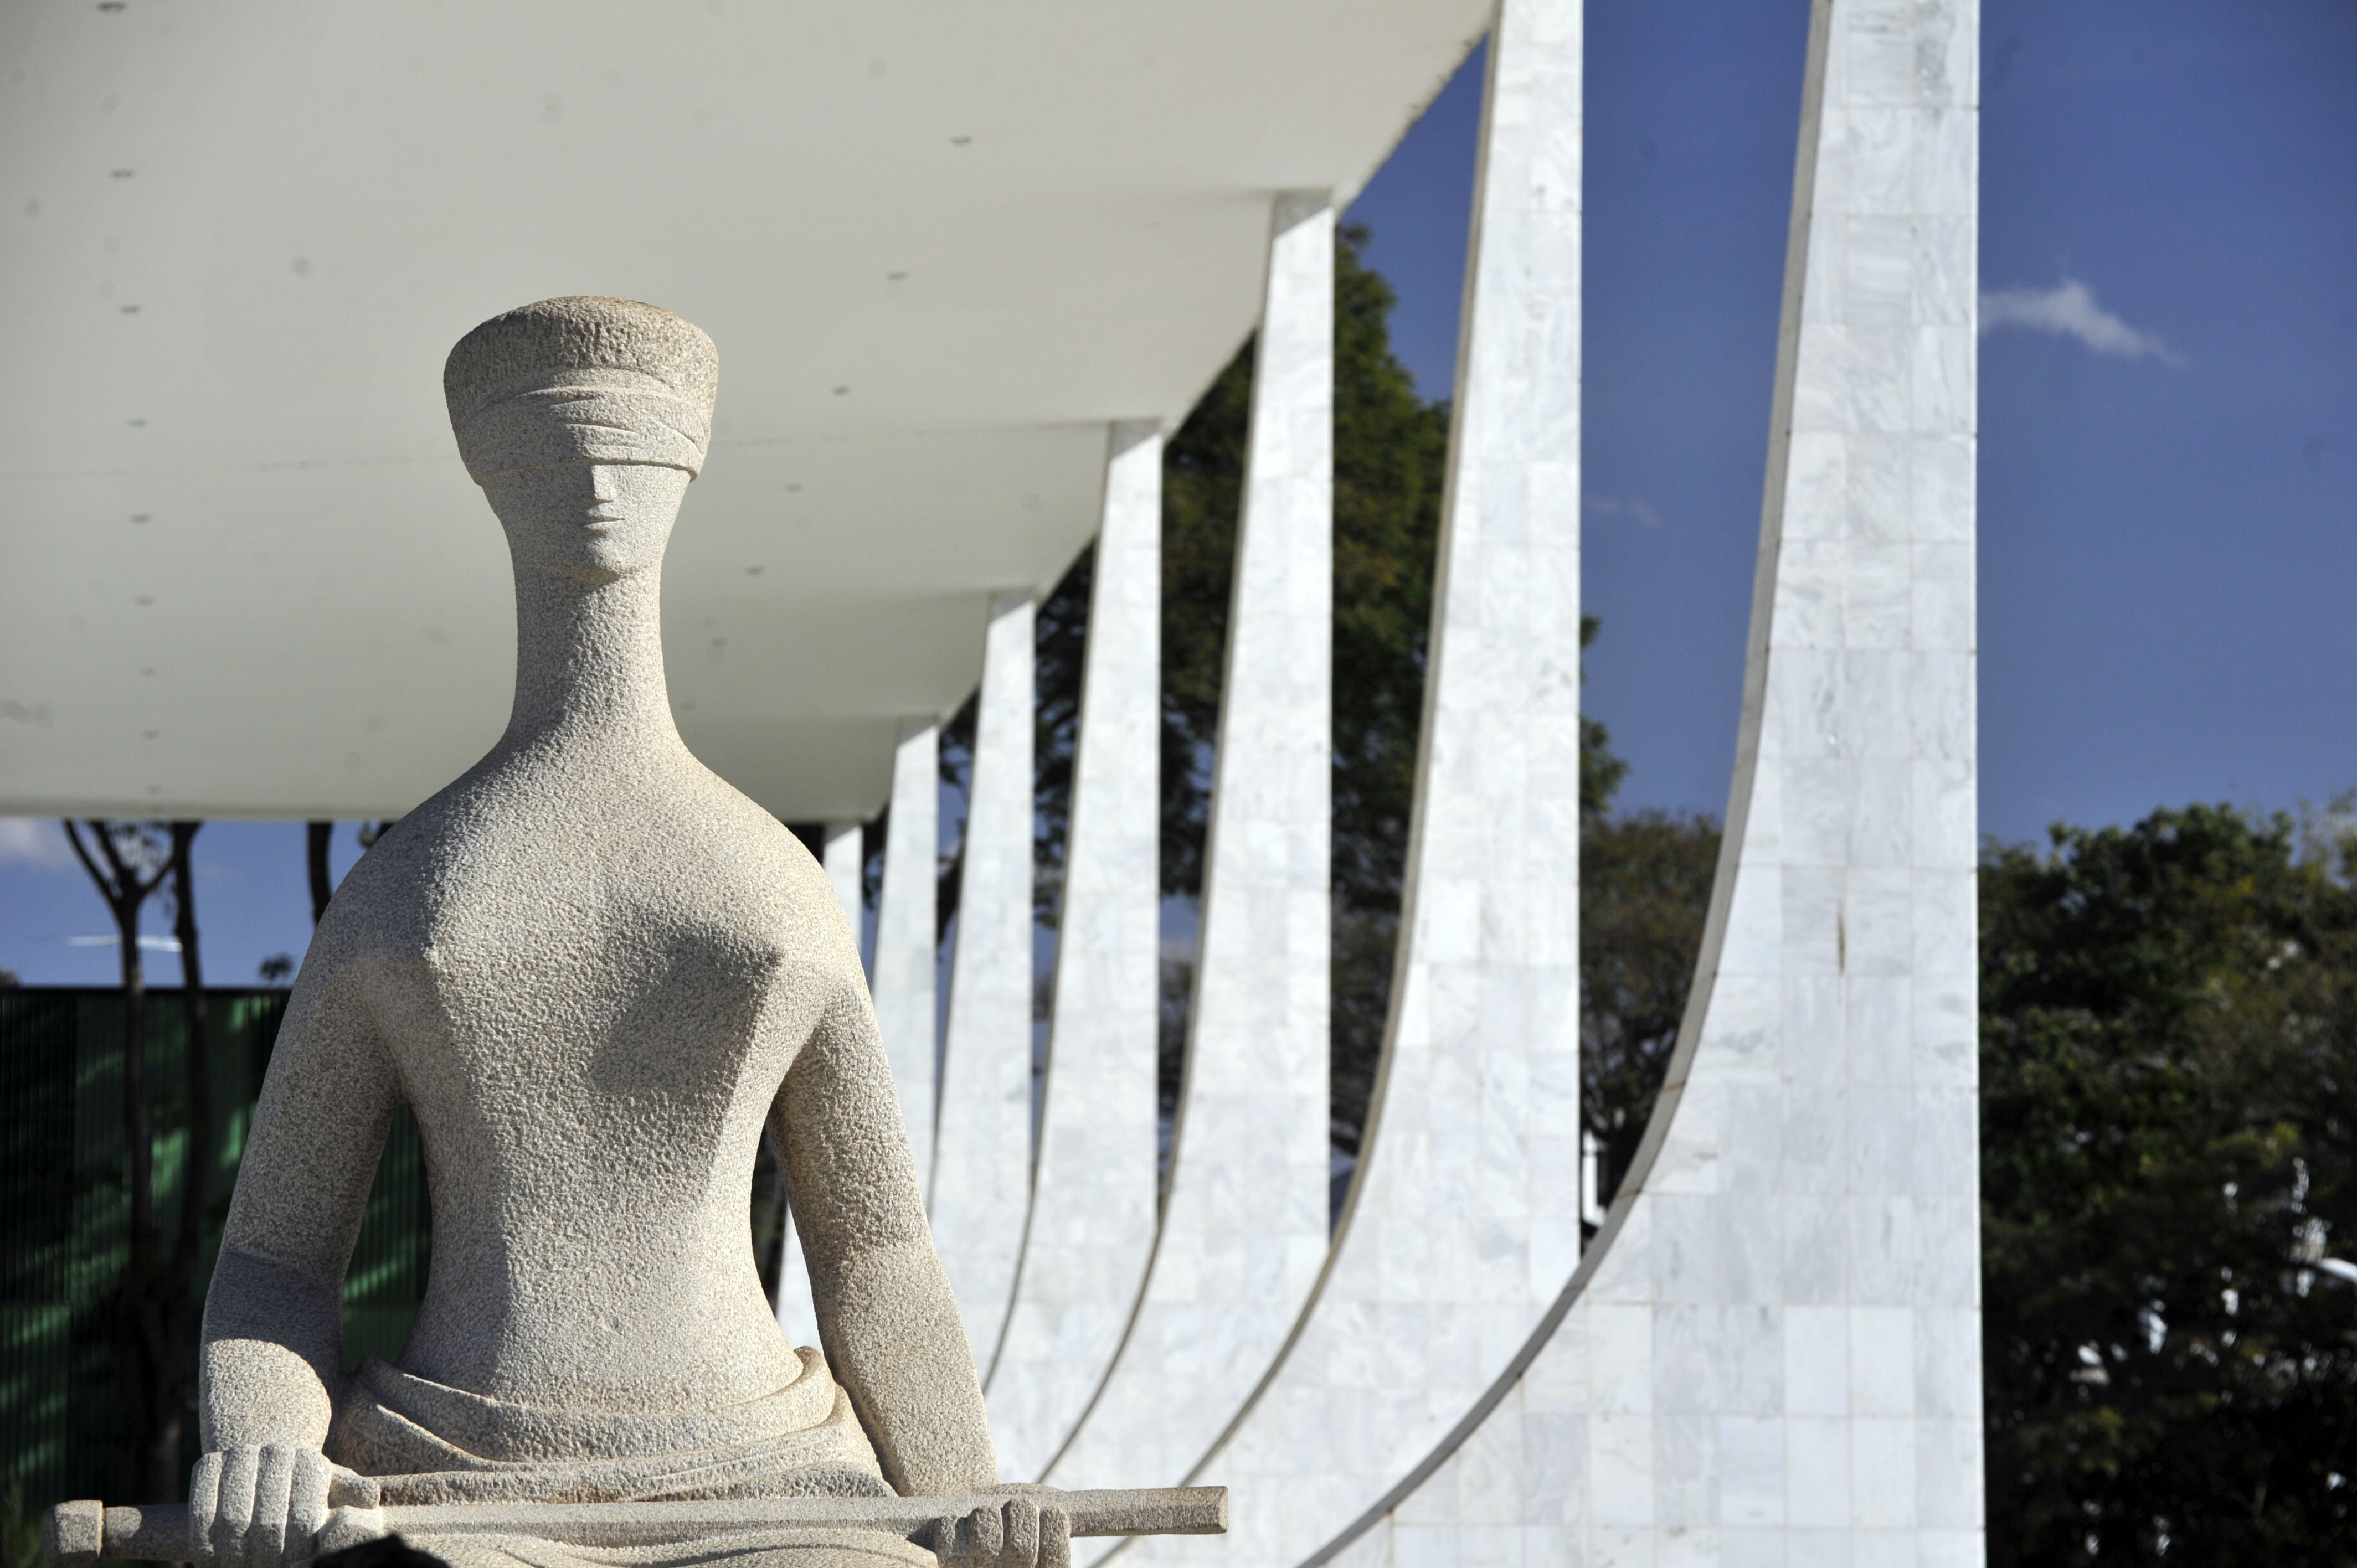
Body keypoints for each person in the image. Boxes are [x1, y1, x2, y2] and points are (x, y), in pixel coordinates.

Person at [191, 298, 1050, 1568]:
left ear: (686, 471)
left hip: (772, 1480)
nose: (596, 486)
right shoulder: (405, 888)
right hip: (454, 1481)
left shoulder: (770, 876)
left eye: (630, 454)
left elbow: (873, 1246)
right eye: (553, 454)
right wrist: (263, 1440)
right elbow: (276, 1255)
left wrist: (964, 1487)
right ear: (491, 478)